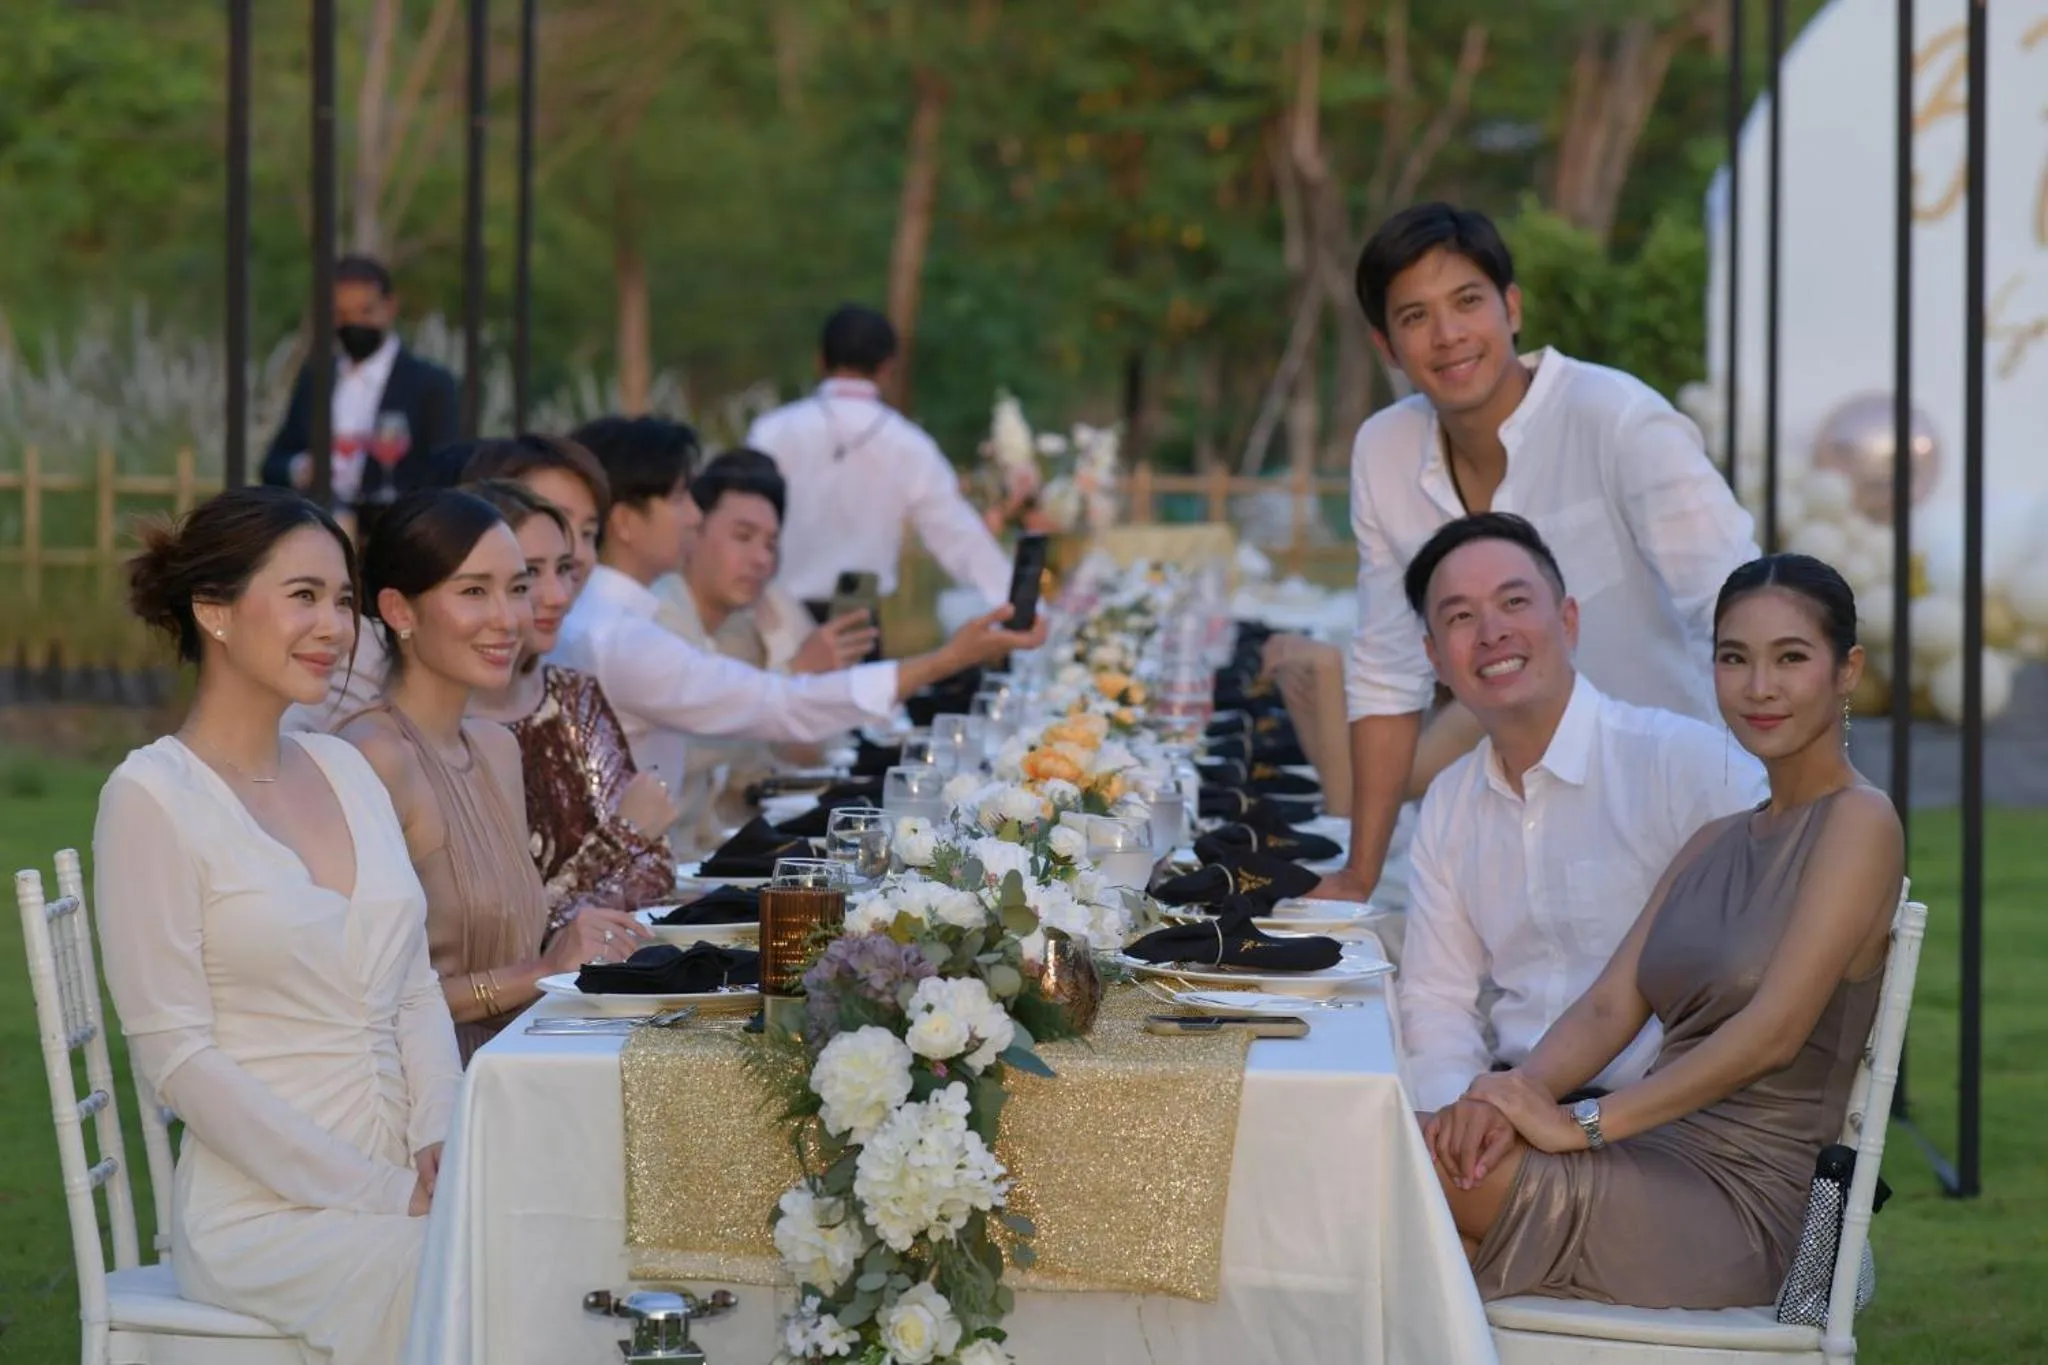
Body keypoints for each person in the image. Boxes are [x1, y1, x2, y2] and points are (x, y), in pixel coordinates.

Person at [1429, 554, 1903, 1311]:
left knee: (1396, 1169)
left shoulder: (1860, 822)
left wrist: (1579, 1124)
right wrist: (1511, 1097)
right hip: (1651, 1158)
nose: (1759, 687)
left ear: (1847, 670)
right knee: (1420, 1194)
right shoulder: (1715, 839)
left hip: (1746, 1207)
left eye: (1791, 658)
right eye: (1734, 658)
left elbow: (1773, 1034)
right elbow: (1607, 1007)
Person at [93, 487, 461, 1364]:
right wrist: (380, 1192)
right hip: (263, 1213)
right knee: (453, 1269)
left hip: (408, 1180)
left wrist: (443, 1140)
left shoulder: (345, 768)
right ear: (214, 610)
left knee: (533, 1237)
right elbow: (179, 1061)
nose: (334, 627)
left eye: (342, 599)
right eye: (303, 596)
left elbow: (414, 987)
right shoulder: (152, 797)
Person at [1318, 203, 1759, 905]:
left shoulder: (1616, 417)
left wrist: (1799, 822)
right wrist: (1358, 874)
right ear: (1387, 347)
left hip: (1678, 814)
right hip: (1514, 822)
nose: (1448, 335)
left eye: (1468, 301)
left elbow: (1740, 611)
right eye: (1416, 316)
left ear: (1512, 307)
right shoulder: (1384, 450)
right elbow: (1387, 674)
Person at [1395, 513, 1767, 1120]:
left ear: (1568, 621)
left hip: (1659, 1120)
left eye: (1514, 602)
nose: (1492, 632)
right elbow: (1437, 999)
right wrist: (1455, 1117)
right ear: (1435, 658)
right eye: (1461, 617)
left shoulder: (1686, 767)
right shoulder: (1450, 802)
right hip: (1510, 1113)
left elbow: (1770, 967)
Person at [554, 415, 1047, 826]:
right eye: (680, 498)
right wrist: (948, 659)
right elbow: (778, 705)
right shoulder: (618, 637)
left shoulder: (610, 621)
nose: (693, 517)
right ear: (625, 522)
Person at [338, 490, 650, 1061]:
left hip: (518, 1065)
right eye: (474, 591)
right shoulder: (372, 756)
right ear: (399, 610)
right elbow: (364, 1000)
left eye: (517, 589)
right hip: (425, 1086)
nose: (508, 619)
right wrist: (545, 968)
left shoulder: (495, 748)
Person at [465, 477, 679, 910]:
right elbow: (508, 924)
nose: (560, 595)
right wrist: (624, 834)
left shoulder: (573, 695)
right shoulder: (438, 726)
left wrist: (573, 903)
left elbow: (656, 867)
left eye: (564, 569)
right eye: (529, 574)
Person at [651, 448, 876, 852]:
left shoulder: (739, 627)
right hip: (665, 860)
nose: (760, 559)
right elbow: (688, 745)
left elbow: (772, 762)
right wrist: (797, 674)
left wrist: (819, 683)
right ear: (693, 532)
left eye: (771, 545)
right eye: (743, 537)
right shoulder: (656, 619)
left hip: (712, 846)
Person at [745, 304, 1013, 619]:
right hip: (855, 623)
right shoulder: (908, 444)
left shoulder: (773, 431)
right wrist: (1017, 604)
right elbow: (957, 535)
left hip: (771, 620)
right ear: (888, 367)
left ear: (820, 360)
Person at [260, 254, 462, 511]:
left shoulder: (430, 384)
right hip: (318, 520)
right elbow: (273, 463)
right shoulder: (316, 377)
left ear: (390, 308)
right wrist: (302, 468)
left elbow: (446, 472)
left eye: (366, 311)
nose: (353, 323)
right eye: (342, 313)